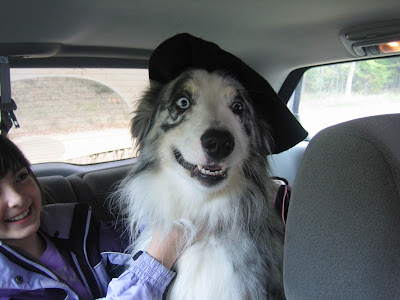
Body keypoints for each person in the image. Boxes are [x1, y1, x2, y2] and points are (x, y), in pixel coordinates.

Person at [0, 135, 186, 299]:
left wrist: (175, 211)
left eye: (21, 176)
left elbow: (130, 237)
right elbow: (159, 251)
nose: (16, 198)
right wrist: (156, 262)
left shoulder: (71, 229)